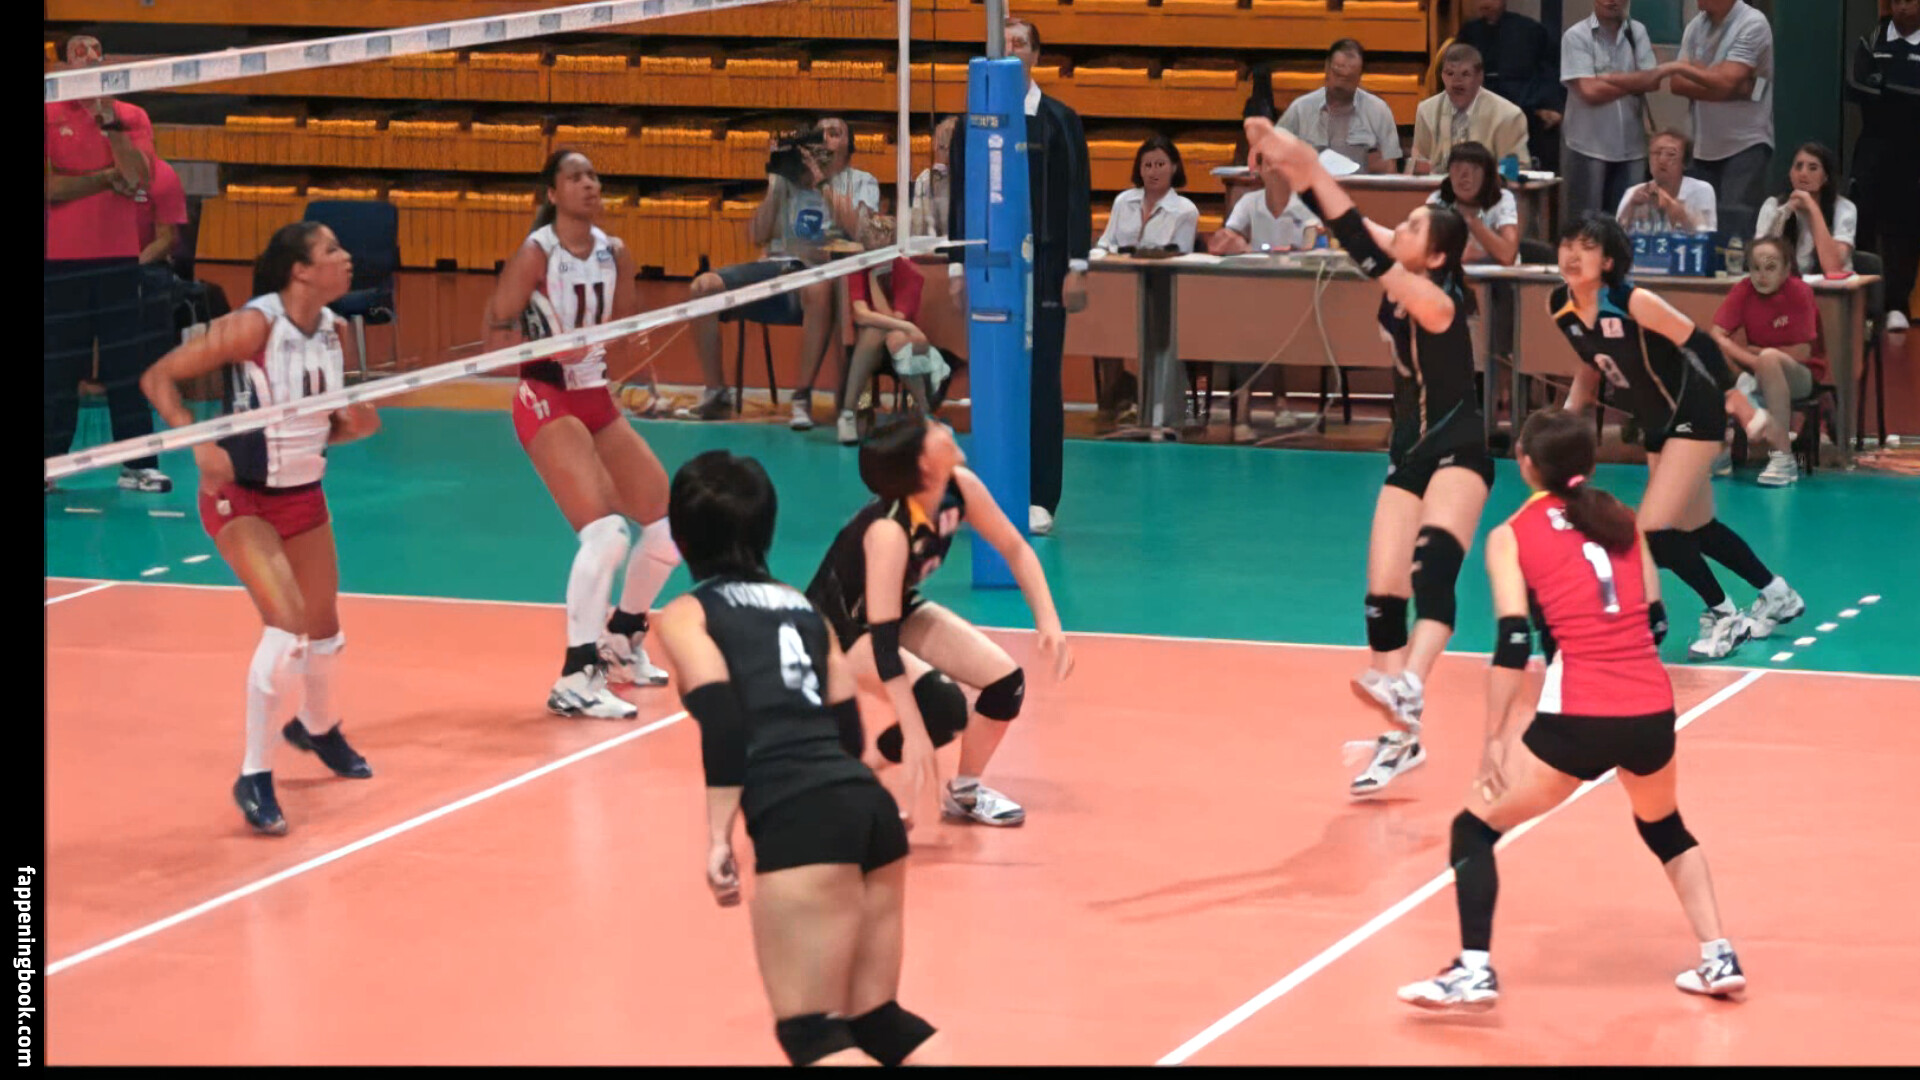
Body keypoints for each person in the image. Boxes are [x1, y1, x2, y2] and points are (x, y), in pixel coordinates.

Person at [1397, 408, 1746, 1011]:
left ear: (1527, 465)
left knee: (1473, 828)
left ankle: (1474, 970)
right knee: (1664, 826)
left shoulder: (1512, 534)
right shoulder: (1623, 521)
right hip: (1651, 709)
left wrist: (1495, 739)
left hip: (1579, 714)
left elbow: (1513, 642)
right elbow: (1656, 621)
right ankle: (1719, 956)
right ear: (1589, 463)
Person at [651, 450, 945, 1067]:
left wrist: (718, 837)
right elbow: (847, 729)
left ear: (681, 538)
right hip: (867, 808)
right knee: (879, 1021)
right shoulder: (804, 609)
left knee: (811, 1033)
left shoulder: (686, 615)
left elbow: (723, 718)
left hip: (799, 814)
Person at [1245, 118, 1492, 798]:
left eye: (1412, 227)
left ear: (1434, 256)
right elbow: (1345, 221)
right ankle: (1400, 738)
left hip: (1460, 452)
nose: (1400, 229)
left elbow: (1363, 246)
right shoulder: (1410, 266)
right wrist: (1292, 164)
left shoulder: (1435, 300)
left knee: (1433, 572)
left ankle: (1412, 681)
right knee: (1383, 595)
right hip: (1408, 453)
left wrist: (1306, 163)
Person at [139, 221, 380, 835]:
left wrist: (352, 427)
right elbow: (157, 378)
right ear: (300, 270)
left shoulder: (334, 331)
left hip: (303, 495)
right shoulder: (254, 326)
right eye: (332, 250)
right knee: (288, 629)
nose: (346, 257)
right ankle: (254, 774)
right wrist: (197, 441)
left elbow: (318, 424)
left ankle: (316, 728)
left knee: (325, 634)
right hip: (240, 497)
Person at [1547, 212, 1803, 659]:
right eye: (1568, 245)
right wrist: (1566, 421)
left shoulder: (1633, 301)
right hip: (1656, 422)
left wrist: (1738, 402)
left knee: (1653, 530)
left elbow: (1700, 344)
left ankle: (1725, 616)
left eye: (1586, 248)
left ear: (1608, 261)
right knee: (1695, 527)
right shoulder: (1560, 305)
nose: (1572, 255)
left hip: (1694, 409)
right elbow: (1591, 362)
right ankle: (1775, 592)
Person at [484, 148, 680, 720]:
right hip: (546, 396)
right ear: (553, 194)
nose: (590, 184)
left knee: (667, 529)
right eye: (575, 177)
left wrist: (638, 349)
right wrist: (547, 348)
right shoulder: (536, 253)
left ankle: (621, 639)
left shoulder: (615, 252)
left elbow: (622, 329)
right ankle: (576, 676)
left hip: (596, 397)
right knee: (607, 535)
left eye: (593, 176)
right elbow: (494, 334)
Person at [805, 417, 1074, 827]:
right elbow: (883, 642)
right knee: (941, 707)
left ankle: (965, 792)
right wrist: (915, 732)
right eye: (931, 429)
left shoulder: (959, 487)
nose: (942, 426)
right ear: (923, 464)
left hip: (892, 608)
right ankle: (849, 778)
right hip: (837, 627)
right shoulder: (889, 532)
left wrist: (1048, 621)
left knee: (1006, 683)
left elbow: (1015, 548)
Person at [948, 16, 1092, 537]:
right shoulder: (973, 122)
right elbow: (961, 195)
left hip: (1046, 268)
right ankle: (991, 494)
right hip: (991, 269)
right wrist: (957, 267)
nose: (1011, 49)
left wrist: (1078, 266)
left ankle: (1039, 496)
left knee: (1040, 382)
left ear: (1034, 55)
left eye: (1020, 43)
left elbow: (1077, 194)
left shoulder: (1059, 120)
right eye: (1002, 42)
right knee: (991, 380)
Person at [1709, 235, 1826, 487]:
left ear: (1786, 269)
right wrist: (1755, 360)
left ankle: (1783, 458)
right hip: (1759, 372)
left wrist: (1758, 355)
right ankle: (1718, 453)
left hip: (1801, 375)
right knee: (1715, 366)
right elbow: (1716, 335)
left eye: (1771, 268)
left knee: (1768, 359)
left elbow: (1802, 352)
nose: (1762, 276)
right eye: (1755, 268)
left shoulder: (1800, 292)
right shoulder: (1744, 290)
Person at [1845, 0, 1920, 332]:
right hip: (1872, 148)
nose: (1903, 6)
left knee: (1904, 230)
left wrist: (1886, 89)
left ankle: (1896, 305)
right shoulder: (1872, 39)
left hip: (1912, 153)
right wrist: (1906, 95)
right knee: (1862, 223)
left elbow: (1879, 90)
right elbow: (1857, 85)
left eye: (1910, 0)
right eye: (1897, 0)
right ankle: (1864, 302)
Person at [1754, 142, 1857, 276]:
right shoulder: (1773, 206)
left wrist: (1812, 208)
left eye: (1813, 168)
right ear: (1790, 174)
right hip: (1784, 284)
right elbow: (1759, 262)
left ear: (1825, 177)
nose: (1803, 173)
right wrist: (1784, 215)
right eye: (1798, 166)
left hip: (1829, 287)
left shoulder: (1843, 208)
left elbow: (1833, 269)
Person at [1616, 130, 1718, 235]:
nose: (1662, 160)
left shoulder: (1701, 190)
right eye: (1656, 153)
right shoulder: (1634, 192)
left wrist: (1670, 206)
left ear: (1684, 162)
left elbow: (1706, 236)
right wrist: (1631, 206)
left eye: (1671, 154)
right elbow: (1616, 238)